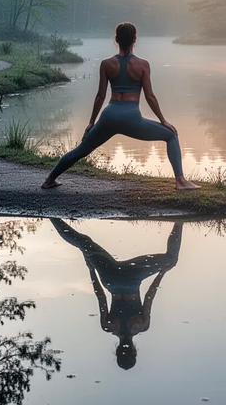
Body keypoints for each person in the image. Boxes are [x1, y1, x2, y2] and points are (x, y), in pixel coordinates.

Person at [41, 22, 200, 190]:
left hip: (109, 116)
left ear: (116, 39)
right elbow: (150, 97)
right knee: (171, 135)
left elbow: (100, 96)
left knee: (81, 150)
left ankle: (49, 180)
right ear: (134, 39)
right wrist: (163, 120)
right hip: (131, 117)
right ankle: (180, 181)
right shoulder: (143, 65)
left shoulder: (106, 64)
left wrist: (91, 122)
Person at [50, 218, 182, 369]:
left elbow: (149, 296)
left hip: (132, 278)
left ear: (134, 351)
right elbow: (100, 295)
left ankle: (180, 220)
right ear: (117, 351)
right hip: (110, 278)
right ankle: (51, 216)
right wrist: (91, 269)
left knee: (171, 258)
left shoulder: (142, 326)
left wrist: (162, 272)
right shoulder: (108, 326)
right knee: (83, 242)